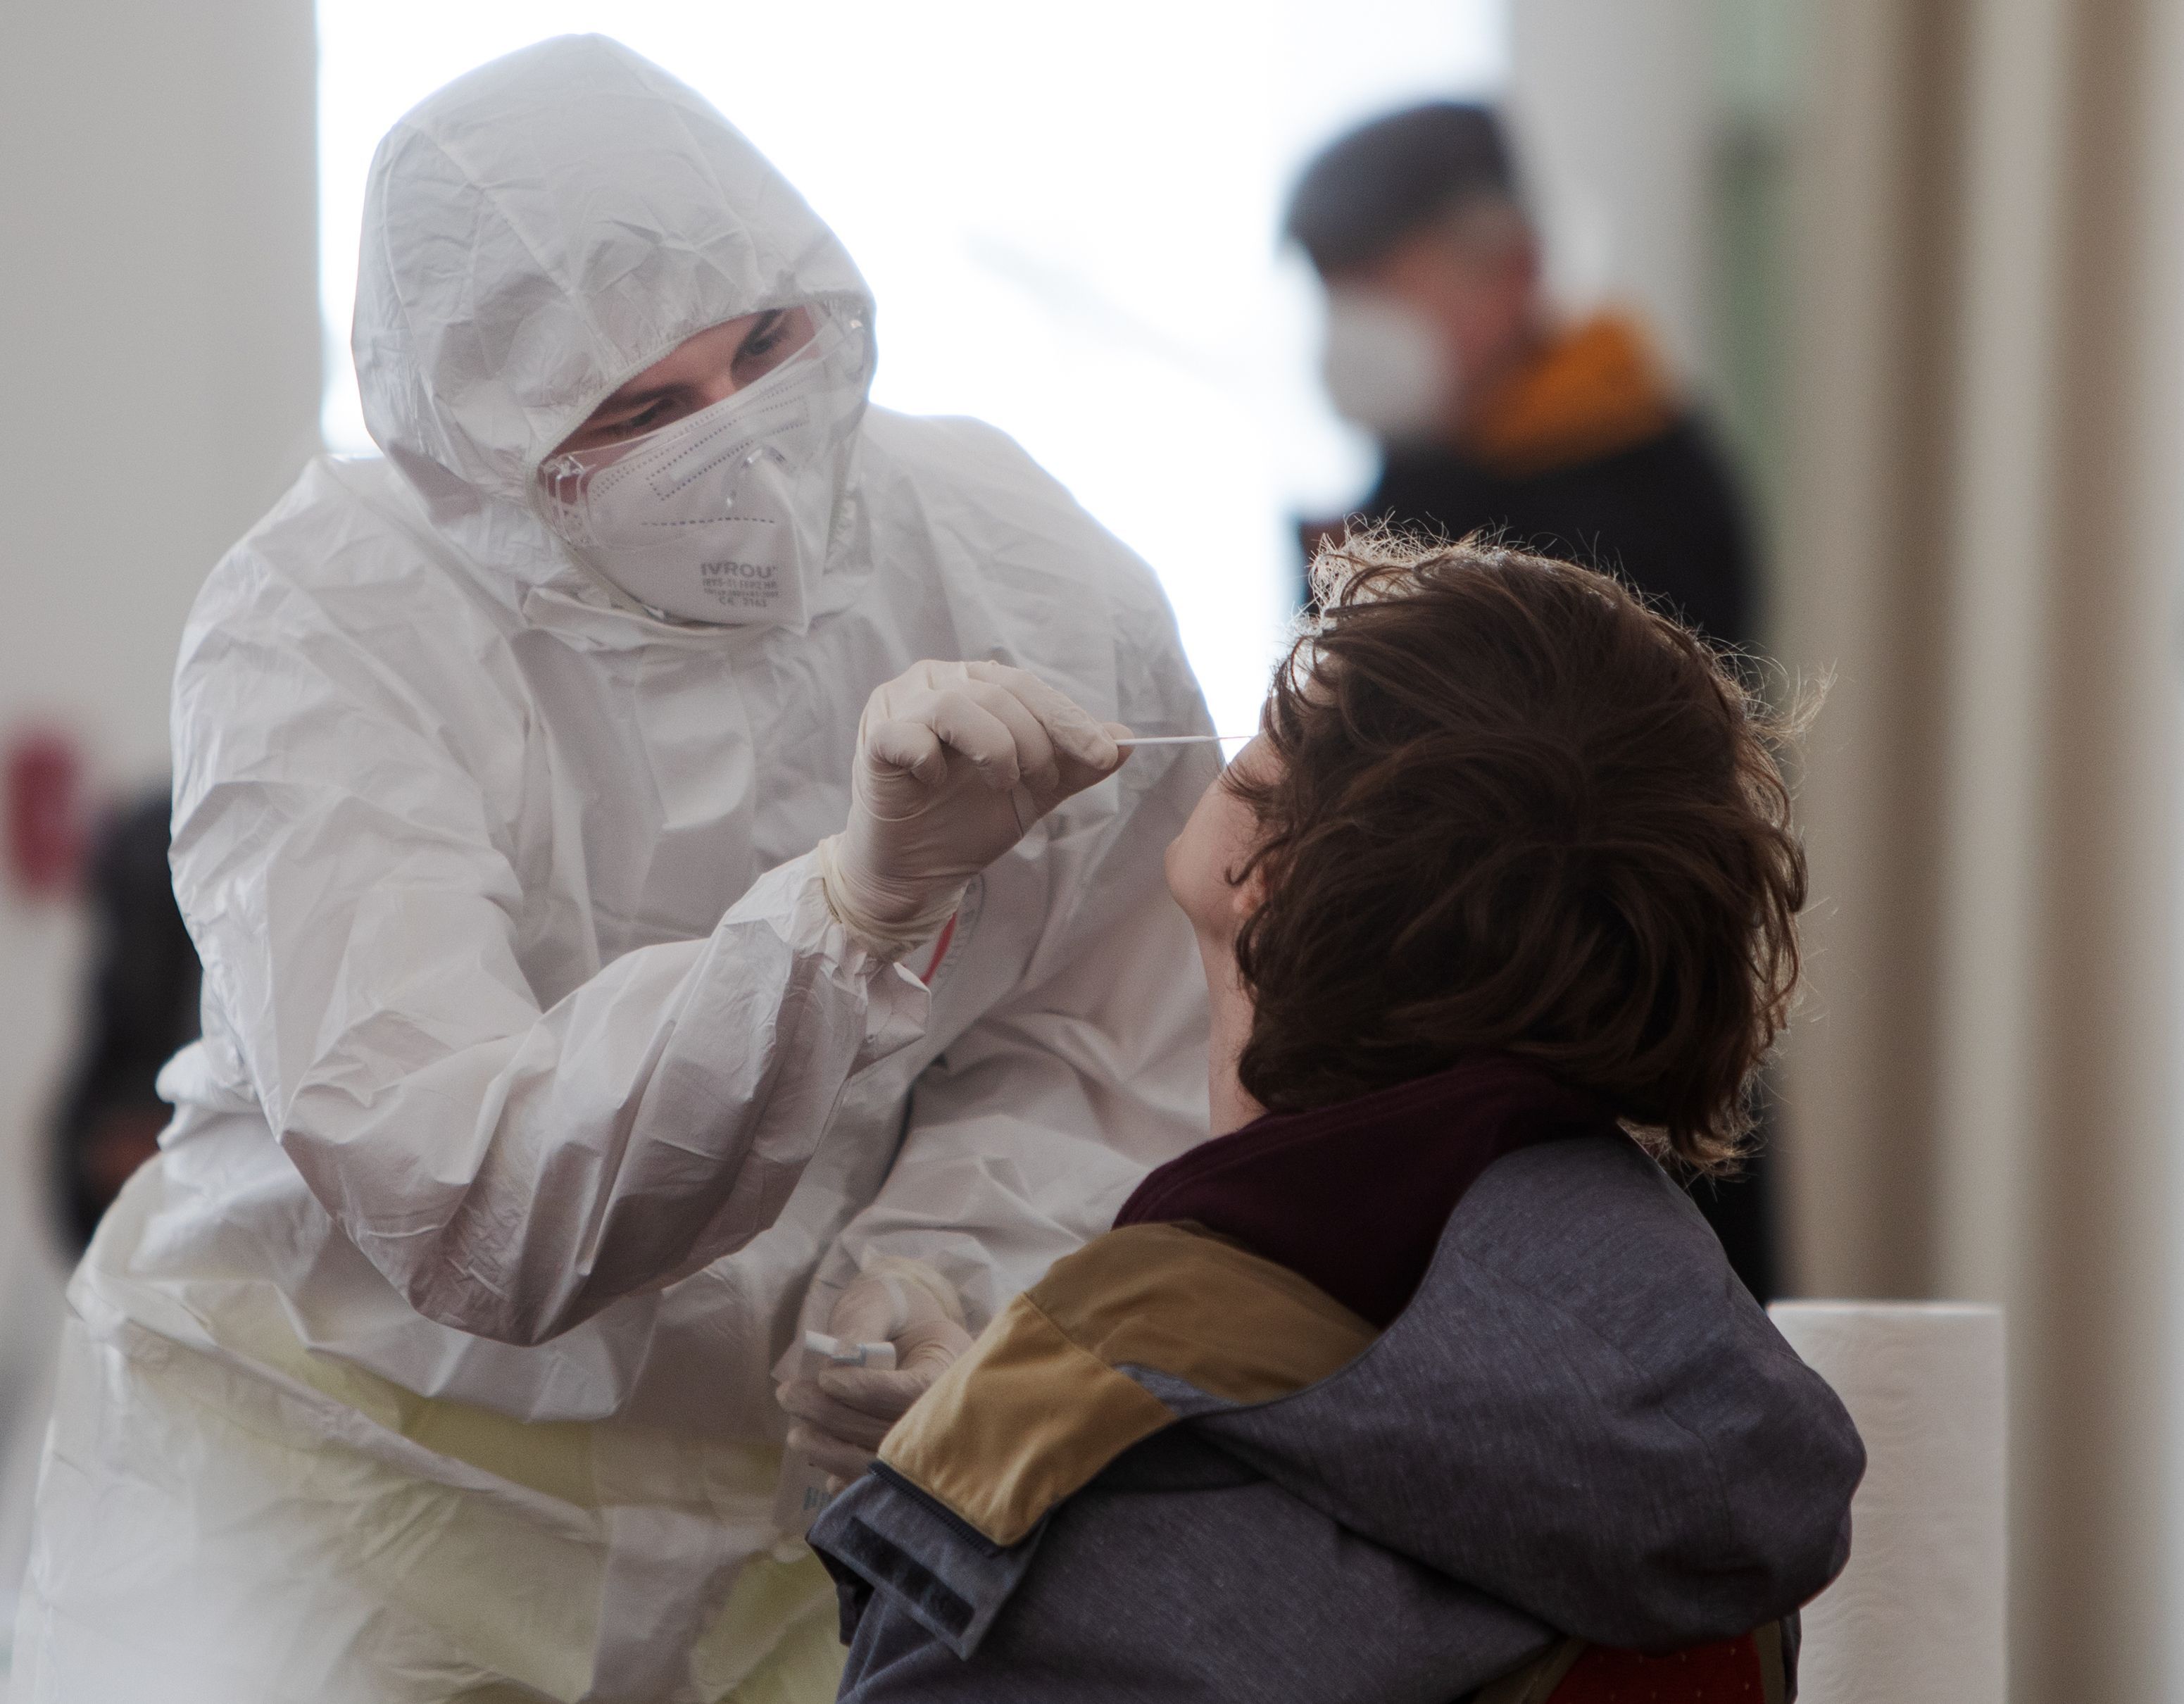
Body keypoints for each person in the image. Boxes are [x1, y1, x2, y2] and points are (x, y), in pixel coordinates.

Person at [13, 36, 1216, 1704]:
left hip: (771, 1518)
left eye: (768, 345)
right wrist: (842, 922)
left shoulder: (1014, 562)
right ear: (484, 449)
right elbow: (467, 1201)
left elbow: (1110, 1020)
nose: (741, 443)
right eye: (643, 411)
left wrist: (942, 1266)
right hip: (336, 1483)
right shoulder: (325, 631)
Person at [810, 533, 1862, 1702]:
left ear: (1266, 869)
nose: (1239, 741)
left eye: (1279, 721)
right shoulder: (1689, 1380)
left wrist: (993, 1484)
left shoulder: (1125, 1412)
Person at [1288, 101, 1775, 1298]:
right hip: (1424, 1043)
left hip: (1614, 1042)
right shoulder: (1408, 478)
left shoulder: (1642, 478)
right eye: (1330, 292)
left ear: (1508, 271)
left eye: (1375, 285)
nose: (1349, 327)